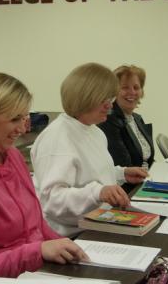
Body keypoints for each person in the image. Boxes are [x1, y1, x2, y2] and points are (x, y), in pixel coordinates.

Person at [0, 73, 88, 278]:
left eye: (24, 118)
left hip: (36, 272)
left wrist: (65, 246)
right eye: (14, 120)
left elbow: (37, 225)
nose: (22, 129)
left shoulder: (12, 156)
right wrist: (37, 251)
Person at [31, 63, 148, 237]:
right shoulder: (57, 138)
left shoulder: (94, 131)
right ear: (85, 98)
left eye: (111, 99)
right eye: (104, 100)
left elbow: (89, 174)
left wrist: (121, 174)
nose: (110, 106)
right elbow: (53, 201)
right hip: (71, 235)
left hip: (97, 221)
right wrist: (98, 193)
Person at [98, 65, 155, 192]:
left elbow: (148, 159)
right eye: (125, 88)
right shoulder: (109, 122)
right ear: (113, 92)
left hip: (144, 183)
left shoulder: (137, 118)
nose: (132, 92)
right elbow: (125, 166)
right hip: (127, 190)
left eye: (136, 87)